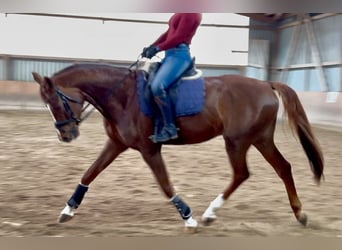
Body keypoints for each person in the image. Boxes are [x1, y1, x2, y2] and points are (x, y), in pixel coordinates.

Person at [141, 13, 202, 143]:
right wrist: (152, 46)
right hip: (169, 55)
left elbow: (179, 37)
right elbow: (169, 33)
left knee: (157, 86)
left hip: (179, 55)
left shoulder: (192, 12)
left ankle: (170, 127)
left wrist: (158, 48)